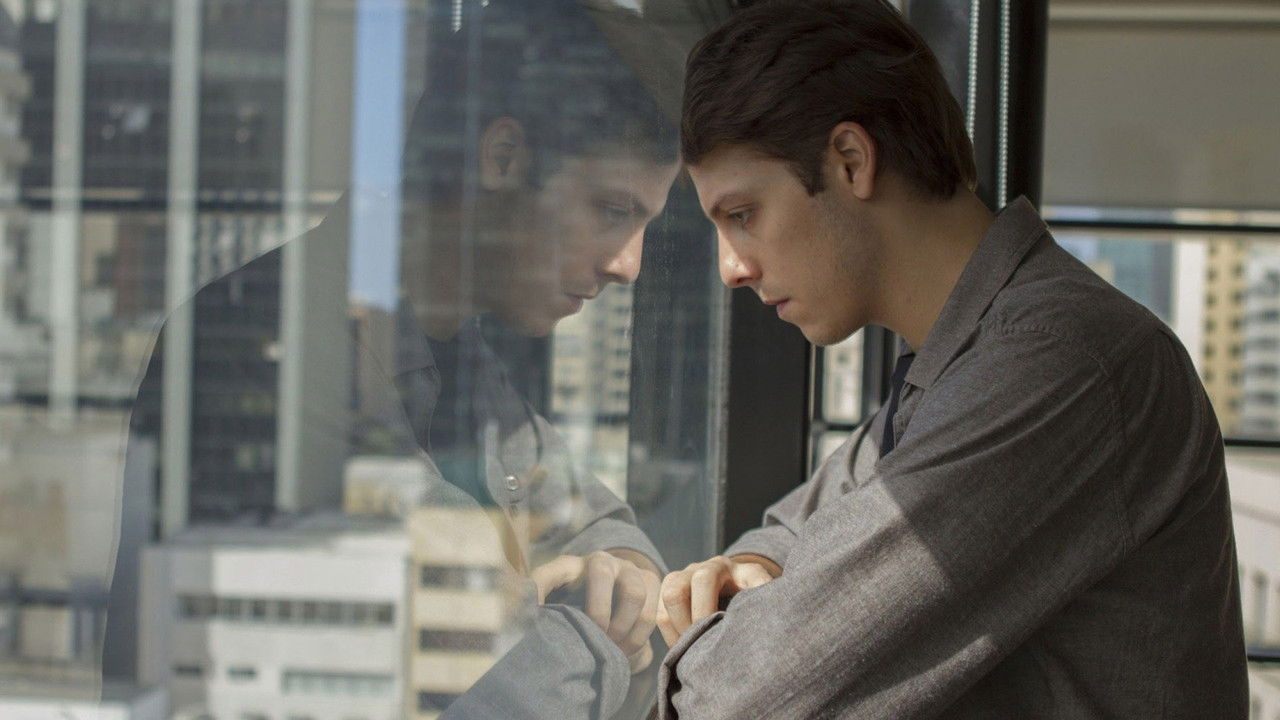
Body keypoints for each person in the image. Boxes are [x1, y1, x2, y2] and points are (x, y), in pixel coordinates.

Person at [655, 1, 1249, 718]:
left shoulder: (1060, 363)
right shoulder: (953, 365)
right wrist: (753, 571)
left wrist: (742, 620)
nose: (731, 268)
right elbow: (782, 534)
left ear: (850, 161)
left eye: (743, 214)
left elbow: (746, 697)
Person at [109, 1, 682, 717]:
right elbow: (510, 691)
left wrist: (622, 577)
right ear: (503, 157)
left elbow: (599, 528)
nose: (629, 265)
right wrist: (606, 647)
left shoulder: (463, 355)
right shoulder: (274, 346)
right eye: (611, 210)